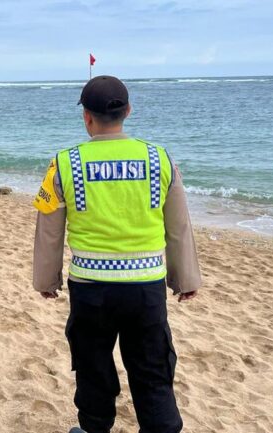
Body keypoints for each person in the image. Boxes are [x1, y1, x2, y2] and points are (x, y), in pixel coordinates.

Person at [32, 75, 201, 433]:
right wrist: (185, 278)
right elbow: (178, 226)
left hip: (90, 289)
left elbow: (49, 229)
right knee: (152, 370)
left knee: (92, 367)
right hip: (146, 288)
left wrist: (46, 279)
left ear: (86, 117)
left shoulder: (65, 162)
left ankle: (94, 428)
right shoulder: (159, 158)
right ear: (128, 111)